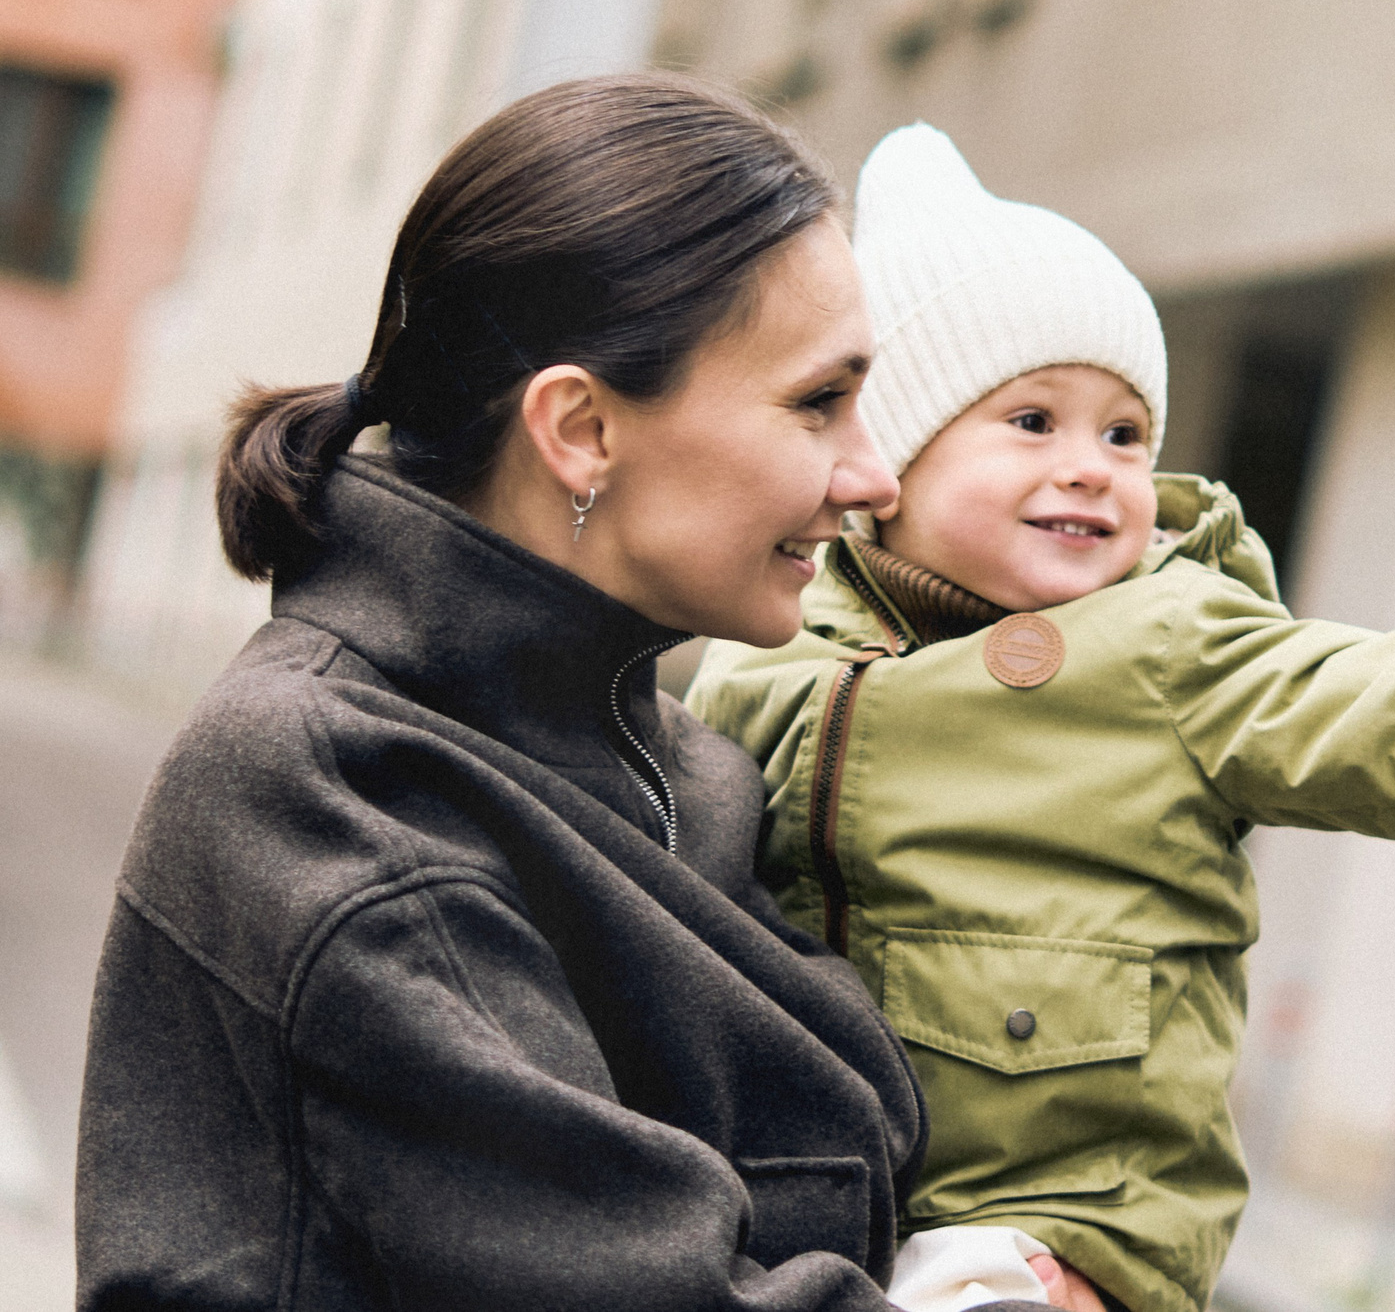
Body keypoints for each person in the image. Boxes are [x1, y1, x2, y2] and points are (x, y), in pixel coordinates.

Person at [686, 124, 1395, 1312]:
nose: (1092, 467)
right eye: (1032, 422)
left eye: (1125, 433)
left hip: (1058, 1218)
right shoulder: (772, 650)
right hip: (815, 1185)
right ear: (891, 456)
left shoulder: (1171, 642)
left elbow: (1376, 705)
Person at [76, 76, 1086, 1311]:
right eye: (819, 400)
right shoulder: (332, 785)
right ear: (582, 428)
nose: (870, 475)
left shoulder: (674, 756)